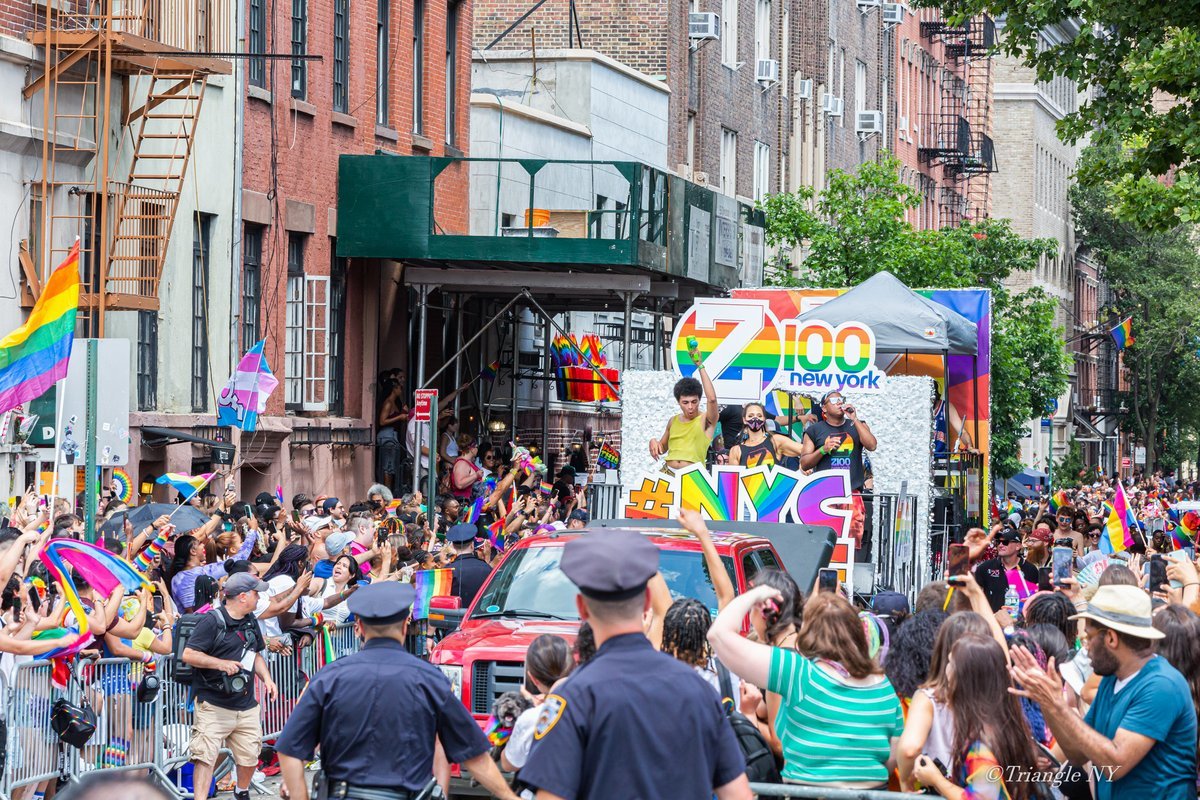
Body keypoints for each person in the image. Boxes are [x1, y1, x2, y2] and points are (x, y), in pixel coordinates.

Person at [519, 530, 751, 800]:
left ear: (582, 608)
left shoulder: (574, 697)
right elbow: (738, 794)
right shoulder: (699, 690)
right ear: (646, 604)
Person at [275, 582, 519, 800]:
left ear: (358, 627)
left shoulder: (328, 679)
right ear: (405, 625)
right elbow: (474, 756)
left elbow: (289, 749)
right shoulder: (431, 681)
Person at [1009, 584, 1198, 800]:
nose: (1084, 646)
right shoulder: (1112, 678)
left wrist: (1057, 704)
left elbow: (1115, 763)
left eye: (1088, 637)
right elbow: (1077, 753)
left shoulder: (1161, 685)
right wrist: (1047, 703)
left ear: (1111, 638)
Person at [709, 588, 903, 789]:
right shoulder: (885, 688)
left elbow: (718, 635)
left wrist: (756, 594)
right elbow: (890, 761)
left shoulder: (798, 673)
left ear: (808, 633)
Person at [181, 572, 278, 800]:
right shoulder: (211, 621)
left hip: (245, 703)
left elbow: (255, 654)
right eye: (256, 594)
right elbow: (188, 654)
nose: (259, 598)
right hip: (213, 704)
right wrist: (220, 664)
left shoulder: (251, 620)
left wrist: (268, 679)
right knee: (205, 758)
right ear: (243, 596)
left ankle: (241, 791)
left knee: (250, 756)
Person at [912, 636, 1041, 799]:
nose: (946, 669)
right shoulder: (1008, 726)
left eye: (951, 663)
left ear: (966, 680)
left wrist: (936, 780)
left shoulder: (981, 747)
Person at [800, 391, 877, 546]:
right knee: (824, 541)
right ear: (824, 408)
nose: (838, 402)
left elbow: (872, 445)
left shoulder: (856, 425)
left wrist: (854, 419)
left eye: (840, 399)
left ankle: (849, 569)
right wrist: (823, 449)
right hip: (824, 493)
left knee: (851, 540)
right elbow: (805, 463)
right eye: (833, 400)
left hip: (851, 492)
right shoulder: (815, 430)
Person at [501, 633, 575, 774]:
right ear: (572, 667)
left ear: (533, 679)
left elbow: (508, 763)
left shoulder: (532, 718)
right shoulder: (594, 706)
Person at [648, 370, 720, 473]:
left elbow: (712, 399)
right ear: (679, 402)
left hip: (692, 475)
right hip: (668, 473)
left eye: (694, 402)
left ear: (699, 400)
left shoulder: (706, 420)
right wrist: (653, 441)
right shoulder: (673, 420)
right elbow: (662, 448)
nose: (690, 407)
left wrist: (700, 366)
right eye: (685, 402)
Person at [971, 526, 1039, 619]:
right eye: (998, 542)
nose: (1000, 545)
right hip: (992, 624)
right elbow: (974, 596)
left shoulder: (1031, 570)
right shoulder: (985, 568)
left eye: (1005, 542)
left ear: (1018, 546)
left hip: (1020, 624)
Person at [728, 402, 805, 468]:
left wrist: (804, 464)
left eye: (759, 416)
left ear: (764, 419)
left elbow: (805, 450)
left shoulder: (775, 441)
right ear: (744, 420)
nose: (755, 418)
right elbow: (732, 482)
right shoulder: (735, 451)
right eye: (750, 416)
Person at [445, 522, 492, 608]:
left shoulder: (448, 570)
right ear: (472, 545)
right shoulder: (487, 568)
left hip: (455, 619)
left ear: (453, 546)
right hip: (480, 618)